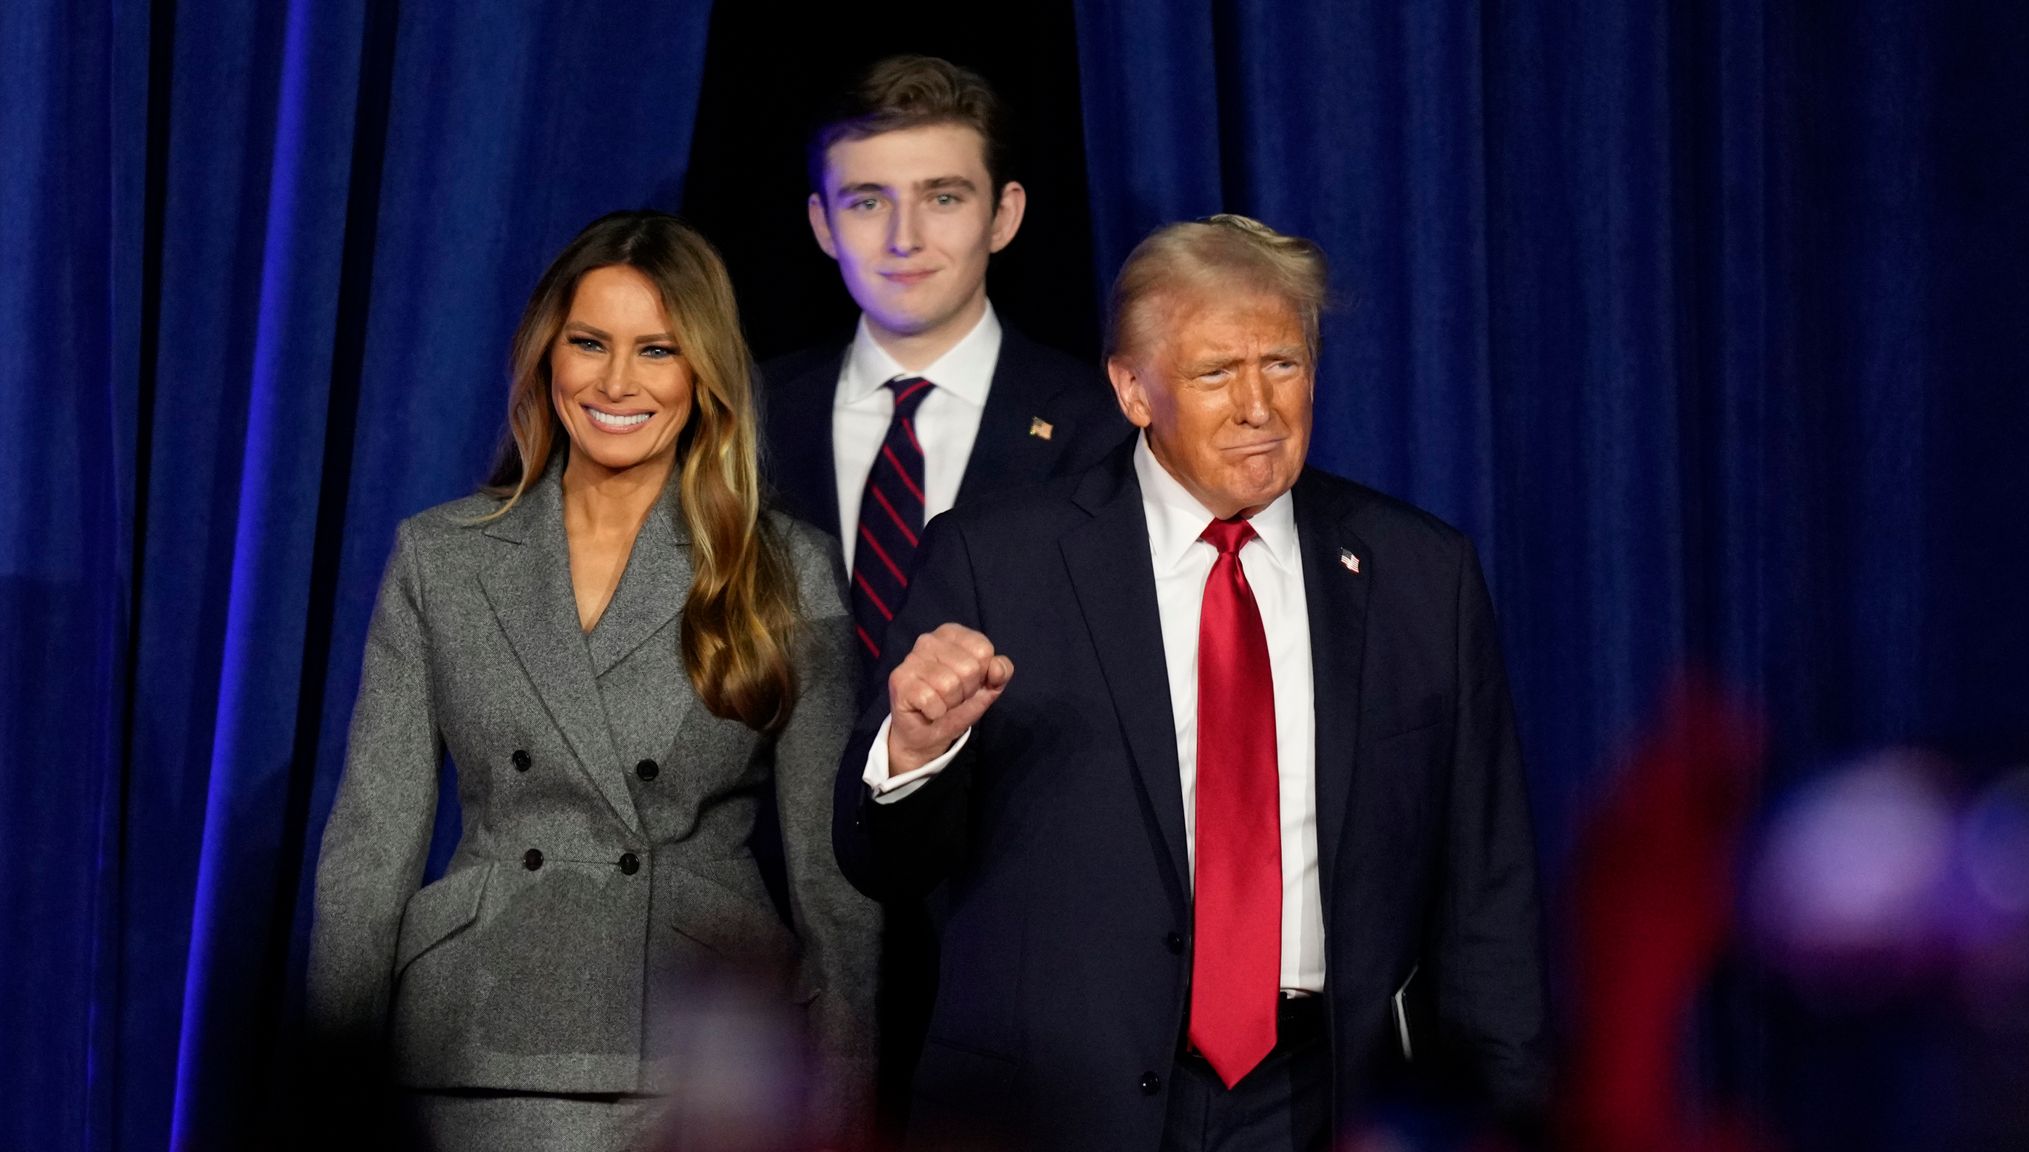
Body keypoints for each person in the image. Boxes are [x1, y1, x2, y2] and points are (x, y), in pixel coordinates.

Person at [833, 215, 1552, 1150]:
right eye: (1217, 373)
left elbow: (1487, 897)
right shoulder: (996, 560)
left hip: (1321, 1103)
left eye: (1284, 365)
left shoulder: (1422, 576)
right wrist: (917, 750)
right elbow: (880, 863)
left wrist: (1506, 1122)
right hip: (1059, 1111)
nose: (1260, 406)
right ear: (1134, 389)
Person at [308, 211, 878, 1151]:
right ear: (547, 356)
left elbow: (835, 885)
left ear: (703, 376)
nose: (618, 382)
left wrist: (841, 1108)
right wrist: (329, 1095)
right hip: (470, 1043)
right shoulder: (442, 557)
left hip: (696, 1049)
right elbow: (370, 848)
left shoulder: (783, 568)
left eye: (657, 350)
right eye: (590, 344)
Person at [760, 54, 1126, 664]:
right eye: (868, 203)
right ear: (823, 224)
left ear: (1002, 216)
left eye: (944, 198)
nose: (905, 238)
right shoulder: (749, 415)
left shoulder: (1098, 426)